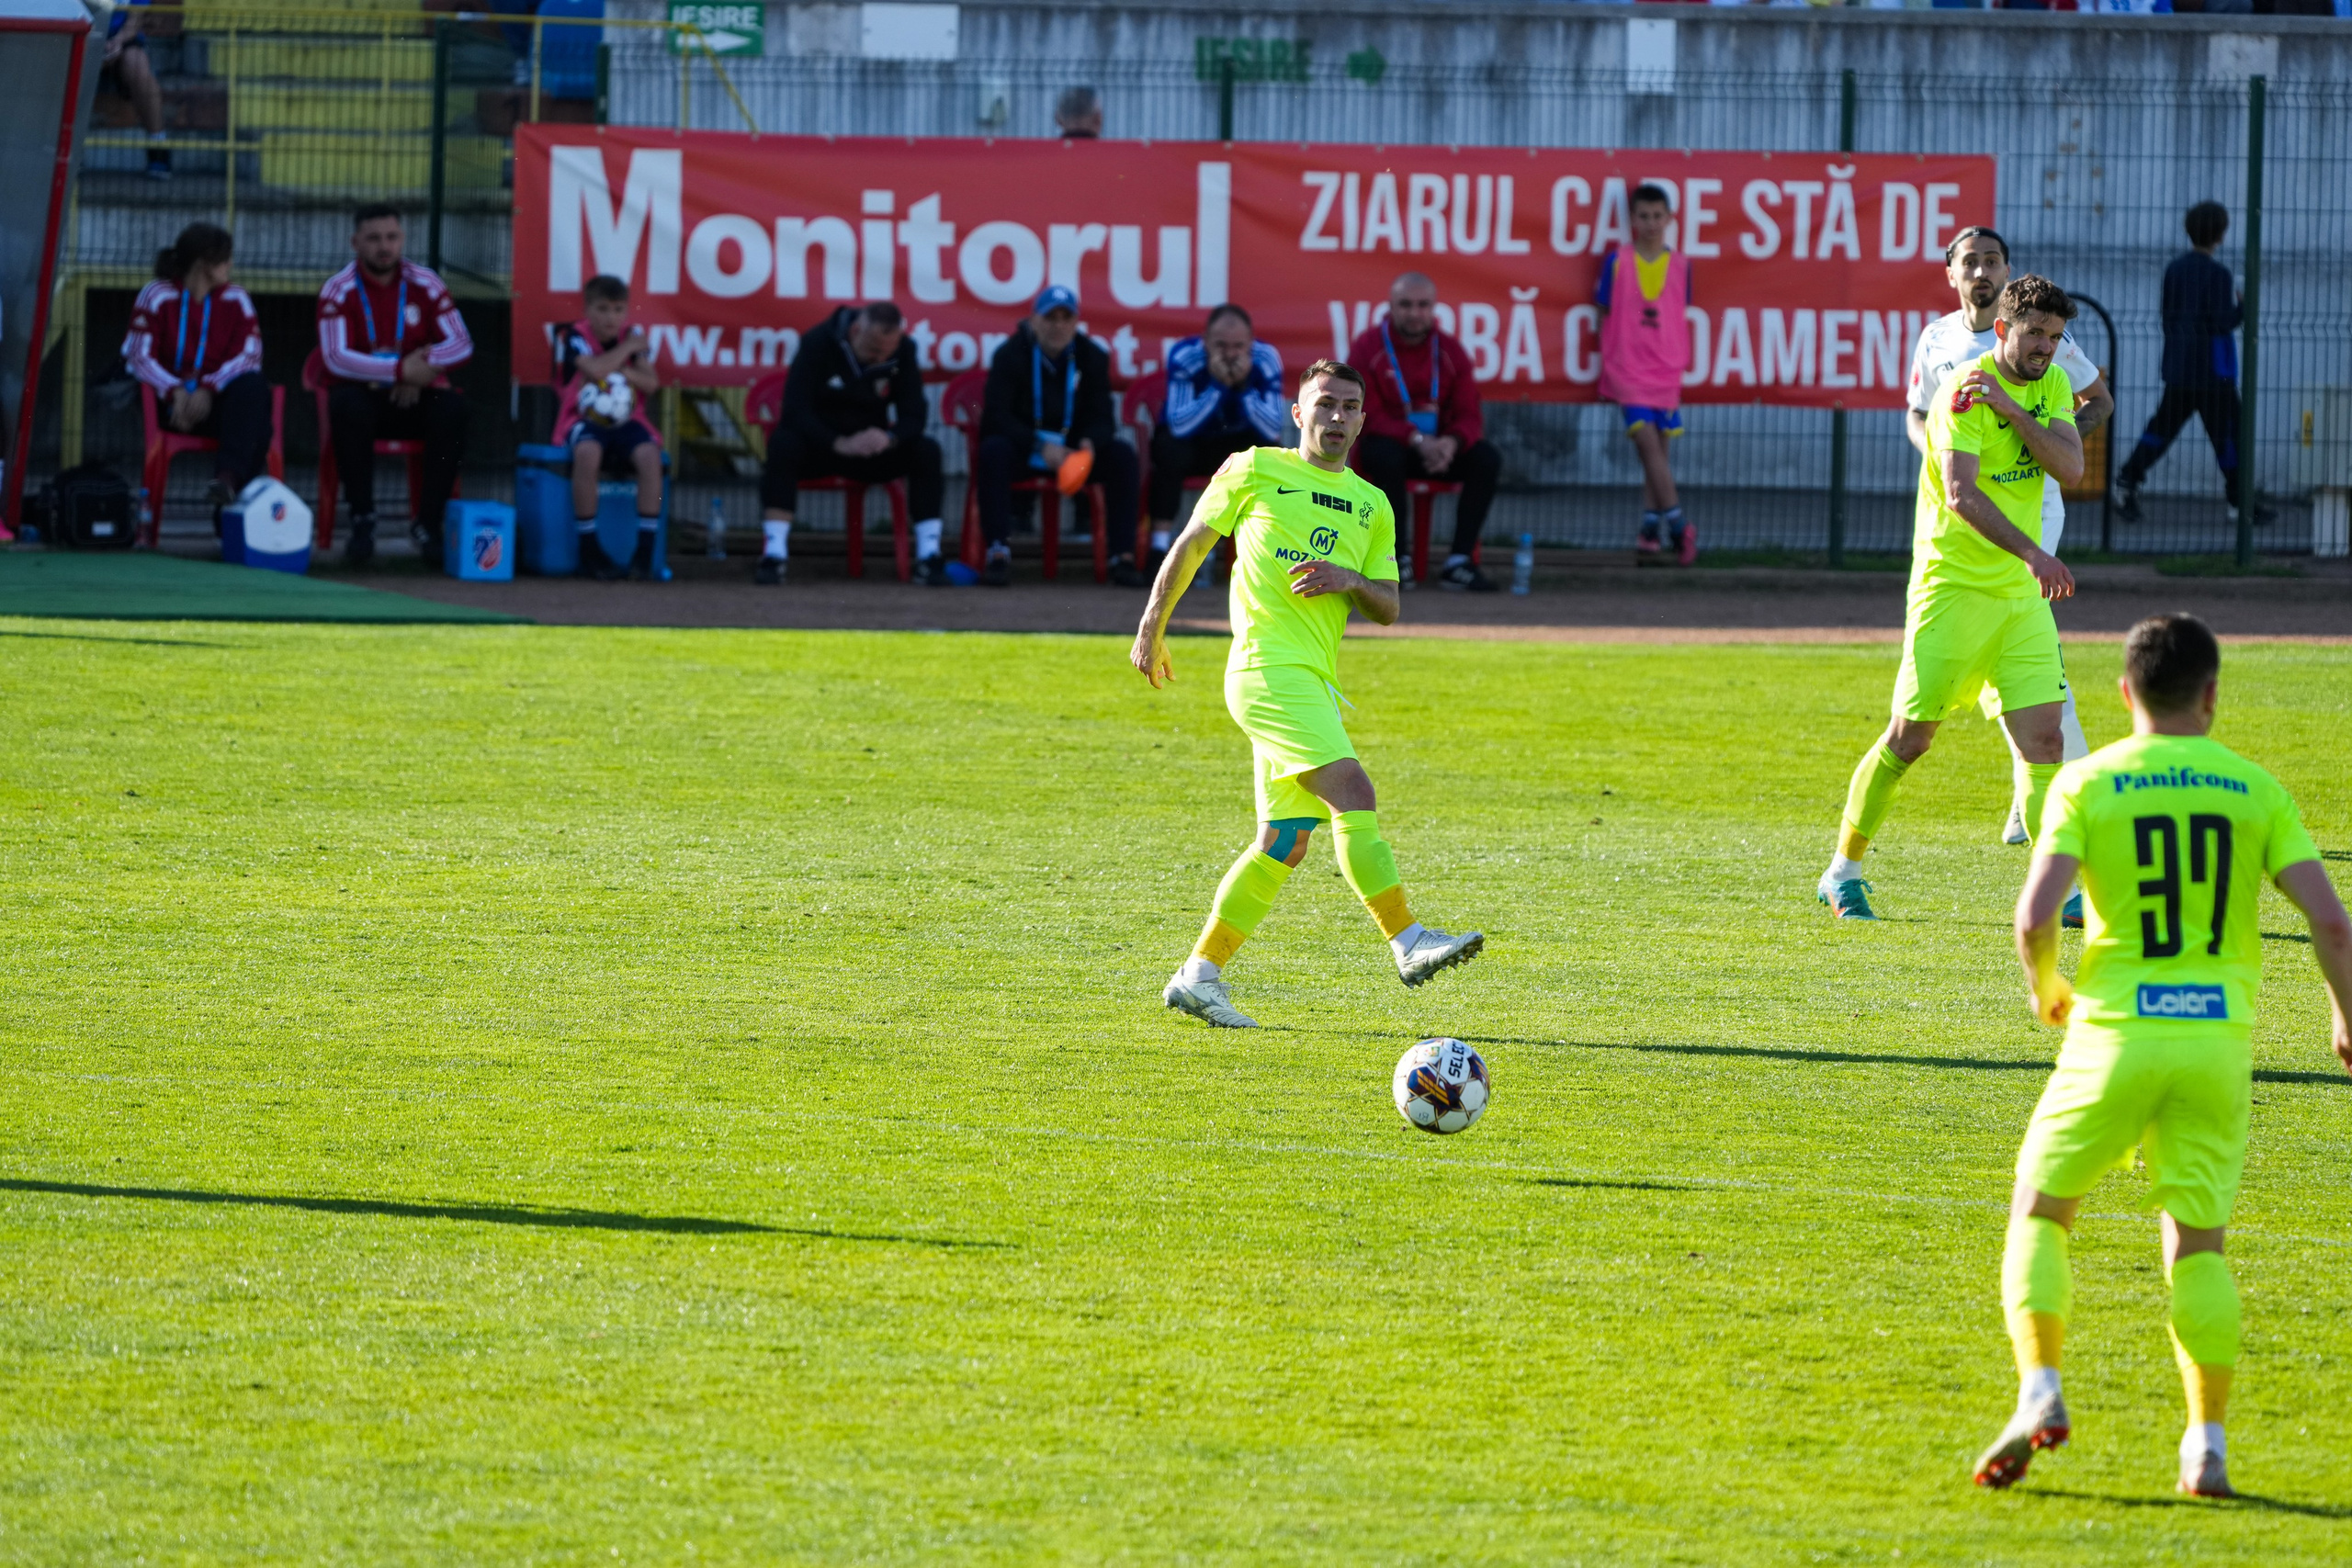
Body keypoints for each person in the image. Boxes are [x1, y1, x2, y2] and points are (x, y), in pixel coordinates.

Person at [1973, 613, 2352, 1497]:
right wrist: (2346, 1017)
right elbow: (2332, 921)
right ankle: (2205, 1446)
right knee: (2198, 1249)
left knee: (2040, 1211)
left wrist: (2047, 986)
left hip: (2113, 1037)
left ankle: (2041, 1387)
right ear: (2211, 694)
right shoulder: (2256, 788)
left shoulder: (2088, 780)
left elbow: (2034, 915)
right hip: (2216, 1048)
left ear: (2124, 693)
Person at [1130, 359, 1486, 1029]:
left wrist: (1349, 578)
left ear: (1362, 420)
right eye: (1324, 404)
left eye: (1349, 406)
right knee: (1354, 791)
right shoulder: (1255, 468)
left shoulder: (1372, 504)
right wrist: (1152, 627)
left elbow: (1389, 606)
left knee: (1285, 839)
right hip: (1266, 671)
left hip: (1313, 682)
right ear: (1298, 413)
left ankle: (1199, 976)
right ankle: (1408, 939)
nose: (1336, 417)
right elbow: (1192, 543)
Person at [1816, 276, 2084, 922]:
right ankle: (1842, 870)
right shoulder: (1963, 392)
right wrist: (2034, 553)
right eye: (2034, 334)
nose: (2045, 347)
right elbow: (1962, 495)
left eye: (2054, 336)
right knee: (1911, 739)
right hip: (1953, 591)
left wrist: (2015, 410)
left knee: (2046, 742)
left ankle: (2056, 894)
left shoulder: (2050, 385)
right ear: (2003, 330)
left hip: (2018, 601)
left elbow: (2071, 468)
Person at [1905, 226, 2113, 866]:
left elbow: (2098, 401)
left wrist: (2045, 440)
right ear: (1951, 273)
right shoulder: (1937, 339)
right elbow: (1918, 413)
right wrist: (1943, 450)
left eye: (1993, 261)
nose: (1982, 271)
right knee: (2014, 657)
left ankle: (2060, 792)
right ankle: (2038, 791)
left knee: (2031, 644)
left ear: (2006, 270)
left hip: (2033, 515)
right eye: (1971, 261)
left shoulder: (2041, 338)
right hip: (1962, 512)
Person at [316, 203, 473, 568]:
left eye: (391, 237)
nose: (384, 246)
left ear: (402, 239)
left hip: (415, 397)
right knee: (347, 408)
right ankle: (363, 519)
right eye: (373, 238)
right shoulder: (337, 289)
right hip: (366, 398)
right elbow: (335, 357)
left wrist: (424, 367)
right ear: (355, 243)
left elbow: (462, 343)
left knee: (453, 411)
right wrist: (400, 370)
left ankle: (428, 523)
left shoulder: (427, 283)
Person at [758, 301, 945, 586]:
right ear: (855, 331)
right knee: (782, 444)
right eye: (873, 350)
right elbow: (795, 411)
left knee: (927, 450)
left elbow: (915, 414)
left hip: (871, 452)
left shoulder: (904, 350)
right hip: (821, 448)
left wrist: (889, 438)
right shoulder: (816, 343)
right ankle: (774, 555)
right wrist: (838, 442)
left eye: (887, 353)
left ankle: (929, 556)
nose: (879, 358)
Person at [976, 286, 1142, 587]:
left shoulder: (1093, 356)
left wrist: (1089, 444)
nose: (1058, 326)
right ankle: (998, 552)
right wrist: (1039, 445)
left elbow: (1103, 417)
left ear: (1076, 322)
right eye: (1050, 318)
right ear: (1034, 320)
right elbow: (996, 417)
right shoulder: (1009, 354)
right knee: (992, 451)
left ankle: (1122, 556)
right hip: (1027, 449)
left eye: (1066, 318)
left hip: (1073, 453)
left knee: (1122, 456)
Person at [1347, 272, 1501, 592]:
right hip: (1391, 448)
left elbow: (1470, 414)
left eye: (1422, 305)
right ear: (1391, 307)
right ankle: (1395, 559)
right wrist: (1416, 439)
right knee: (1384, 454)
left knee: (1486, 458)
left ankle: (1459, 562)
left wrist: (1450, 443)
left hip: (1438, 451)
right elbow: (1366, 413)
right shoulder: (1367, 347)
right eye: (1405, 305)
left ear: (1433, 308)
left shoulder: (1451, 350)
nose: (1414, 313)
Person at [2114, 202, 2264, 525]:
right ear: (2220, 235)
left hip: (2180, 368)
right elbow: (2221, 321)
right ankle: (2240, 502)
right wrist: (2243, 308)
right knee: (2230, 434)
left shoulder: (2175, 269)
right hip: (2214, 372)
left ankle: (2128, 479)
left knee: (2162, 428)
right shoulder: (2219, 274)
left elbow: (2168, 316)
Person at [121, 222, 272, 505]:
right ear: (205, 265)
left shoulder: (237, 298)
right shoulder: (156, 294)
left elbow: (249, 357)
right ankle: (229, 502)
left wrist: (207, 389)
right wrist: (175, 391)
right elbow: (138, 356)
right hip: (170, 408)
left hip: (216, 406)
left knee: (254, 388)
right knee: (259, 427)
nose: (230, 265)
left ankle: (226, 483)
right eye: (225, 259)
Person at [1596, 183, 1696, 564]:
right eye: (1644, 216)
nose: (1651, 223)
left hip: (1666, 370)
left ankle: (1649, 529)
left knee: (1659, 454)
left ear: (1669, 219)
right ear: (1632, 219)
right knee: (1648, 445)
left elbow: (1678, 312)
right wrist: (1615, 353)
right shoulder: (1617, 261)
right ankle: (1680, 526)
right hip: (1628, 370)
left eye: (1657, 216)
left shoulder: (1681, 265)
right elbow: (1603, 310)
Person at [1147, 304, 1286, 559]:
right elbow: (1179, 426)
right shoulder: (1185, 355)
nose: (1230, 354)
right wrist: (1217, 387)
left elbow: (1272, 428)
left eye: (1238, 346)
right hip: (1193, 444)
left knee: (1272, 455)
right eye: (1221, 346)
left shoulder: (1266, 357)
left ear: (1251, 342)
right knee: (1167, 449)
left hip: (1235, 448)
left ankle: (1268, 547)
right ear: (1206, 341)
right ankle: (1158, 547)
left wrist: (1244, 388)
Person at [551, 275, 663, 581]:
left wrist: (622, 368)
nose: (610, 318)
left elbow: (651, 383)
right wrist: (627, 351)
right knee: (587, 453)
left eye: (617, 310)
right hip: (582, 418)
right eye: (602, 309)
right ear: (587, 310)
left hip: (629, 419)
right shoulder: (576, 335)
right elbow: (595, 369)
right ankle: (589, 548)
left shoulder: (632, 334)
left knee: (650, 456)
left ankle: (644, 551)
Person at [100, 0, 169, 181]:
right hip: (87, 36)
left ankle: (158, 145)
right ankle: (71, 148)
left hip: (123, 40)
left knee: (138, 67)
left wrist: (117, 42)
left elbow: (135, 20)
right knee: (76, 67)